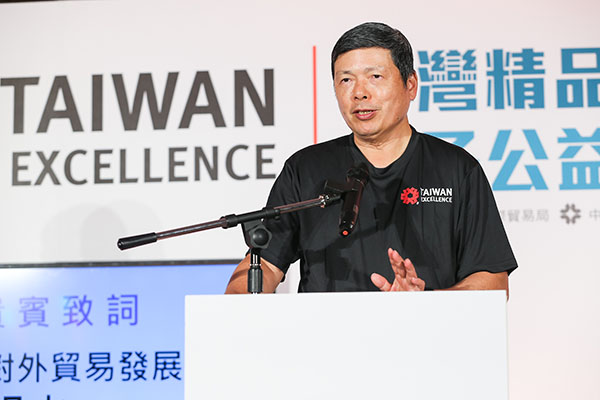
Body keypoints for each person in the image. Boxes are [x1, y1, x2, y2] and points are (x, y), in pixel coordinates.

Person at [226, 22, 517, 294]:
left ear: (410, 85)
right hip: (325, 332)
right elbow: (263, 265)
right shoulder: (305, 169)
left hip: (429, 331)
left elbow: (493, 279)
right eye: (346, 80)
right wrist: (238, 302)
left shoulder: (456, 168)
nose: (359, 93)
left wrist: (428, 305)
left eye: (375, 77)